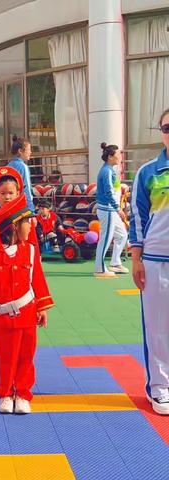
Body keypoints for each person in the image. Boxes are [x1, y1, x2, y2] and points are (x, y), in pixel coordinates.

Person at [0, 193, 53, 414]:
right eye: (27, 222)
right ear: (14, 226)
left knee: (26, 357)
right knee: (6, 358)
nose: (31, 225)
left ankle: (23, 393)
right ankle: (6, 393)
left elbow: (38, 279)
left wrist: (42, 307)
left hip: (27, 313)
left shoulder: (30, 250)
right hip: (2, 318)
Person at [130, 108, 169, 415]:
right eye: (167, 127)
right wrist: (137, 258)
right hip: (156, 259)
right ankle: (160, 387)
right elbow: (138, 218)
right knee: (157, 327)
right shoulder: (148, 172)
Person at [94, 143, 128, 277]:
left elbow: (114, 189)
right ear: (110, 157)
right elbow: (108, 192)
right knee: (105, 239)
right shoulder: (106, 171)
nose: (120, 157)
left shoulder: (110, 170)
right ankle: (100, 268)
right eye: (118, 154)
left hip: (111, 210)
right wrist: (117, 208)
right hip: (108, 211)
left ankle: (115, 263)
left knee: (122, 235)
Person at [7, 135, 35, 213]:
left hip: (11, 206)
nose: (30, 152)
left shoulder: (9, 166)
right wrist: (31, 210)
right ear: (20, 151)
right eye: (29, 149)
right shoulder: (23, 167)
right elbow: (26, 191)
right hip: (22, 208)